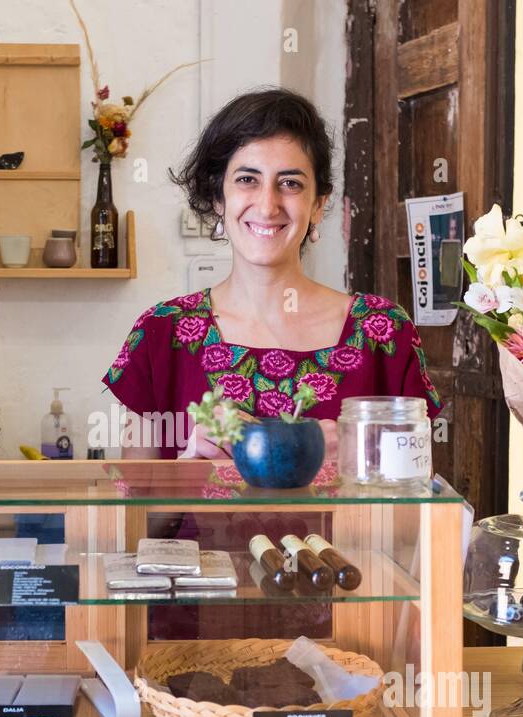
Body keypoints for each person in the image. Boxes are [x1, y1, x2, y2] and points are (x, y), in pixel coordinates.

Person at [102, 87, 441, 459]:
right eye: (247, 179)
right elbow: (134, 515)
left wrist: (352, 464)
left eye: (290, 183)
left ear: (317, 205)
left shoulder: (383, 332)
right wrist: (187, 472)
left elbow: (416, 507)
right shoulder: (161, 333)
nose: (267, 205)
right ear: (219, 199)